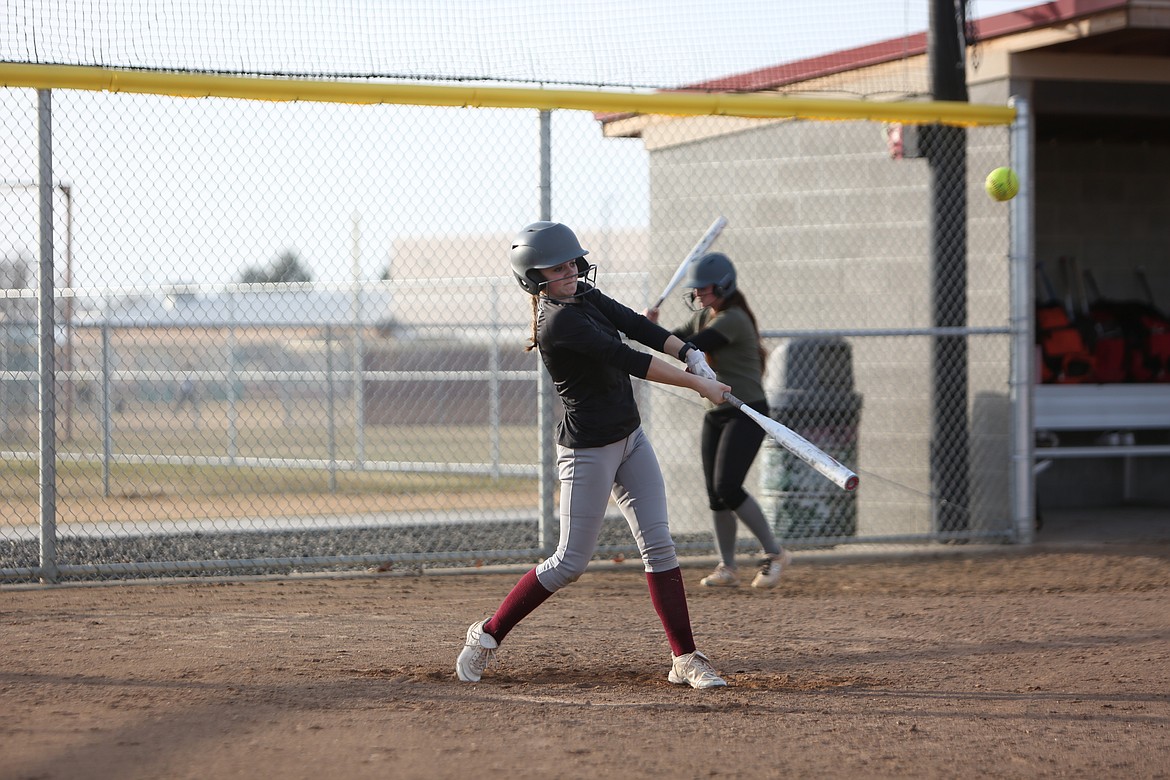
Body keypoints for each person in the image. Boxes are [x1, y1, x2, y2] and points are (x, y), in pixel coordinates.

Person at [455, 221, 731, 689]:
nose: (570, 272)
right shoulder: (557, 323)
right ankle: (486, 635)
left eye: (571, 263)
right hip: (588, 452)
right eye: (557, 268)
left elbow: (635, 324)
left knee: (660, 547)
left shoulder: (582, 296)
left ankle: (684, 658)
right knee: (569, 563)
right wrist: (698, 382)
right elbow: (629, 359)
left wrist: (690, 351)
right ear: (533, 279)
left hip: (630, 439)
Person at [646, 251, 791, 589]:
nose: (697, 295)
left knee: (728, 486)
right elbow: (670, 340)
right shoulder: (707, 316)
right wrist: (649, 328)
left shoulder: (733, 319)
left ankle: (775, 553)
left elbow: (689, 346)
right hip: (717, 412)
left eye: (704, 289)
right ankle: (727, 567)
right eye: (696, 290)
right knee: (715, 493)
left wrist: (652, 331)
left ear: (724, 287)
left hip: (746, 411)